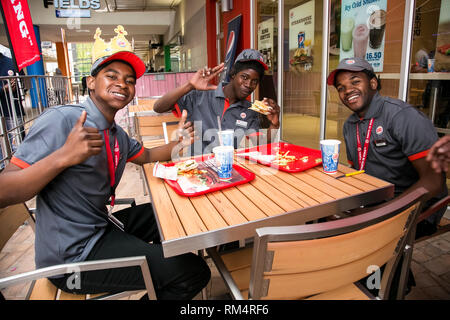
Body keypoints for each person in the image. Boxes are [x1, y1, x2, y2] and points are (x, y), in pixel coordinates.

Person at [0, 50, 210, 299]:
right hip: (72, 260)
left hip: (101, 228)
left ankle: (156, 263)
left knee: (174, 211)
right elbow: (3, 189)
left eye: (129, 80)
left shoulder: (115, 133)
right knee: (192, 271)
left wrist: (177, 142)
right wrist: (63, 156)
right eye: (112, 76)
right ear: (91, 82)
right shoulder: (63, 120)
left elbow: (149, 156)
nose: (122, 84)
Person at [327, 57, 447, 238]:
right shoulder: (350, 125)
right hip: (375, 199)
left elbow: (433, 183)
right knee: (323, 219)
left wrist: (377, 213)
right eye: (341, 88)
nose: (348, 90)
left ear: (373, 83)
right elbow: (358, 170)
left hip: (418, 206)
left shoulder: (402, 117)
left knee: (362, 241)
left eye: (355, 81)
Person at [153, 48, 281, 155]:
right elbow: (158, 107)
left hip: (230, 171)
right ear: (233, 74)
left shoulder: (250, 110)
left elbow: (258, 146)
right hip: (197, 169)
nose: (248, 84)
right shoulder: (200, 95)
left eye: (255, 81)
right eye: (244, 77)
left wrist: (274, 125)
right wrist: (190, 85)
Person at [0, 52, 26, 169]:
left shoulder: (12, 63)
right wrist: (4, 89)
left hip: (13, 109)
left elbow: (24, 83)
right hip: (5, 110)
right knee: (2, 146)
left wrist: (18, 86)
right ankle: (3, 167)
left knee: (19, 140)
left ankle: (22, 164)